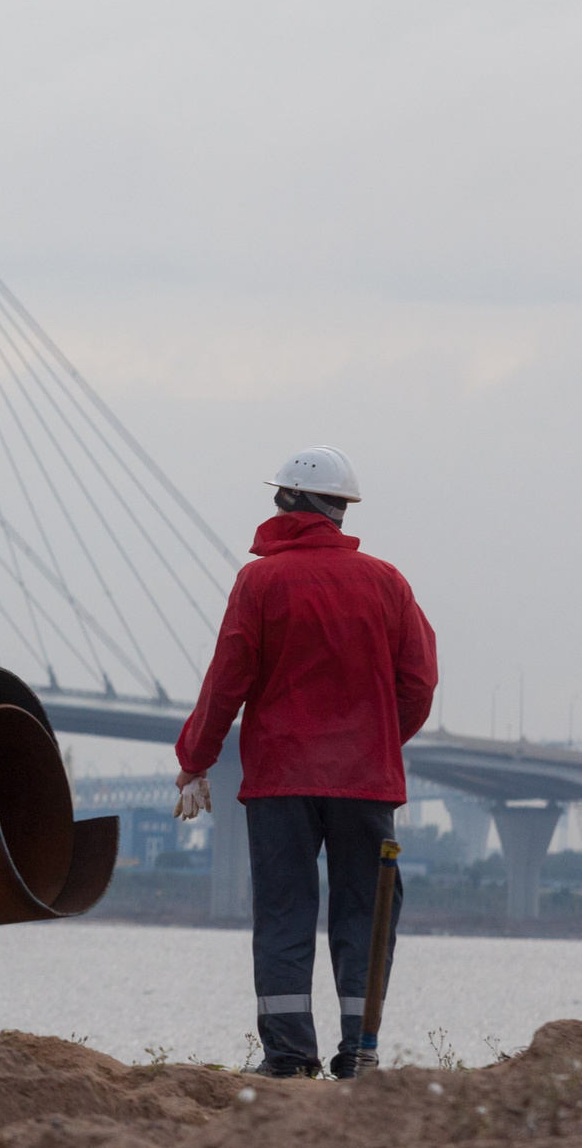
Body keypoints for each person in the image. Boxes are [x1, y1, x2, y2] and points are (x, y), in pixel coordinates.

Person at [174, 446, 437, 1080]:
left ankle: (289, 1060)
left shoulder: (260, 583)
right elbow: (420, 682)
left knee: (284, 912)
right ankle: (361, 1054)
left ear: (288, 503)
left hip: (280, 785)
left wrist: (195, 759)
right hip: (366, 787)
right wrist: (374, 745)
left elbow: (227, 680)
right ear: (341, 511)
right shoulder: (387, 583)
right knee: (366, 915)